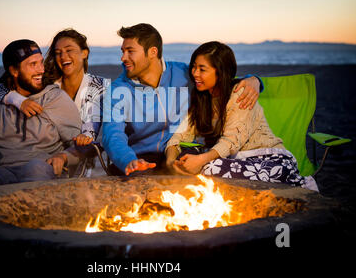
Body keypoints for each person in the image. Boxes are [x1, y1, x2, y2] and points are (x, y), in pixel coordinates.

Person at [102, 23, 263, 176]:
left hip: (181, 152)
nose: (123, 57)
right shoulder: (117, 90)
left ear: (152, 52)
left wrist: (254, 80)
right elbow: (112, 135)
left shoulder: (184, 73)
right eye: (122, 51)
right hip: (141, 159)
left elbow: (220, 79)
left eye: (130, 51)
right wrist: (129, 160)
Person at [165, 41, 318, 191]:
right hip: (237, 162)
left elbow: (231, 142)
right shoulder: (201, 100)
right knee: (186, 158)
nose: (195, 73)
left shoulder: (240, 94)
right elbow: (179, 135)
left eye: (202, 69)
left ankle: (299, 183)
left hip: (272, 161)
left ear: (221, 72)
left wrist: (200, 161)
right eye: (193, 67)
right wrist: (171, 162)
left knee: (210, 168)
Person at [0, 39, 82, 190]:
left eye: (41, 62)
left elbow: (80, 145)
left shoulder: (55, 99)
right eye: (33, 64)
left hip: (42, 170)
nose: (41, 70)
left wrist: (63, 157)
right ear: (14, 71)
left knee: (35, 167)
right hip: (2, 171)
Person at [0, 29, 110, 177]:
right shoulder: (46, 80)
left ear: (84, 53)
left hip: (77, 157)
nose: (63, 56)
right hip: (45, 160)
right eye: (58, 52)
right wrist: (19, 101)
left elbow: (90, 129)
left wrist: (84, 137)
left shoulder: (100, 86)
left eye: (69, 50)